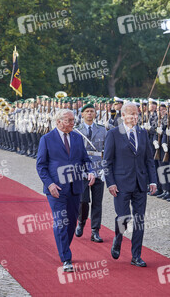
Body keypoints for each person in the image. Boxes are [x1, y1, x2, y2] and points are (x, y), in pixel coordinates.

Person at [36, 109, 95, 272]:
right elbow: (40, 165)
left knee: (72, 222)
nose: (72, 123)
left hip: (75, 187)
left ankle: (64, 248)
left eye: (73, 120)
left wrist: (91, 171)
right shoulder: (46, 139)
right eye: (68, 120)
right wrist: (49, 184)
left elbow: (86, 159)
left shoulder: (77, 138)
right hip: (56, 188)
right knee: (61, 221)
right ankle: (66, 258)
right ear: (58, 121)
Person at [104, 102, 157, 267]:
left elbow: (149, 159)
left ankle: (136, 256)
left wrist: (153, 180)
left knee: (139, 220)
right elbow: (107, 162)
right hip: (120, 184)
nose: (135, 117)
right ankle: (118, 238)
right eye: (131, 114)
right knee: (123, 217)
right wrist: (110, 183)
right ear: (123, 116)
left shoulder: (142, 133)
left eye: (137, 114)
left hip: (140, 183)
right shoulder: (113, 134)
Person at [75, 103, 107, 243]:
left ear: (95, 114)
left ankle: (95, 231)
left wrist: (105, 168)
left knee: (97, 202)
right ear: (82, 114)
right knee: (83, 201)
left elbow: (106, 150)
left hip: (98, 168)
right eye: (87, 111)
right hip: (83, 170)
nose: (89, 114)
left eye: (92, 111)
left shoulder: (102, 130)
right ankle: (81, 222)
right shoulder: (76, 131)